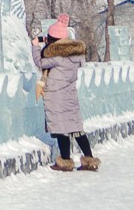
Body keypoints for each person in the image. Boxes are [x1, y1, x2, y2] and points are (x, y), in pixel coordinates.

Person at [33, 16, 96, 172]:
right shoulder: (75, 55)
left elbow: (39, 62)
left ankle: (66, 161)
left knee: (61, 128)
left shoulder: (56, 57)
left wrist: (35, 46)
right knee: (76, 128)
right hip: (70, 95)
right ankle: (89, 160)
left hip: (56, 96)